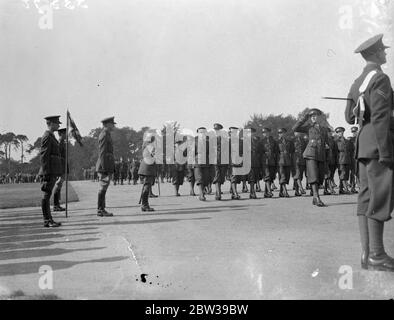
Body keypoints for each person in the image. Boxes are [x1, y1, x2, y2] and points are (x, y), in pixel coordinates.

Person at [345, 34, 394, 272]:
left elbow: (348, 116)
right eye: (382, 51)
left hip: (362, 144)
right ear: (375, 54)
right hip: (377, 144)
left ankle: (366, 255)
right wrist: (386, 152)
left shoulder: (357, 82)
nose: (385, 53)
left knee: (365, 197)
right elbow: (382, 117)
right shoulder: (381, 78)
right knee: (380, 196)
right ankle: (377, 254)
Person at [293, 108, 330, 207]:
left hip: (320, 154)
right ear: (310, 118)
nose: (314, 118)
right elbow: (295, 128)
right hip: (311, 153)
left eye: (315, 116)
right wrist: (304, 117)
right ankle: (317, 197)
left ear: (318, 117)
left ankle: (314, 198)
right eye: (312, 116)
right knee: (313, 175)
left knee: (320, 176)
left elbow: (326, 143)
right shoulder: (308, 127)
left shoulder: (323, 129)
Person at [38, 116, 63, 228]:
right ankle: (47, 220)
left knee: (47, 195)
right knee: (46, 195)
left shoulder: (50, 136)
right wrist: (46, 172)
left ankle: (48, 219)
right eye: (57, 123)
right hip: (49, 171)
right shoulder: (47, 136)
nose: (58, 125)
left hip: (52, 170)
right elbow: (44, 156)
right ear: (51, 123)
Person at [96, 116, 116, 217]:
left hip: (106, 164)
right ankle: (100, 209)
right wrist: (104, 168)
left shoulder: (107, 134)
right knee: (103, 187)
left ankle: (101, 208)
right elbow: (102, 153)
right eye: (112, 124)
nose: (113, 126)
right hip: (104, 165)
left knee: (104, 187)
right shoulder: (104, 135)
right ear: (107, 124)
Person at [138, 132, 157, 211]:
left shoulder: (145, 146)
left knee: (147, 186)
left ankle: (144, 204)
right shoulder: (150, 147)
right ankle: (145, 205)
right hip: (148, 168)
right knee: (147, 186)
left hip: (145, 167)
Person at [52, 128, 68, 211]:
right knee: (58, 184)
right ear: (61, 134)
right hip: (60, 165)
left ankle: (57, 204)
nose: (67, 135)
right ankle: (55, 205)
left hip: (63, 164)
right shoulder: (59, 143)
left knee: (60, 185)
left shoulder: (63, 143)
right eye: (65, 133)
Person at [261, 127, 278, 198]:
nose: (265, 134)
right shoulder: (261, 142)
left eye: (266, 132)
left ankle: (266, 193)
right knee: (267, 176)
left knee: (271, 176)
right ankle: (269, 192)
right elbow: (260, 151)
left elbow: (276, 150)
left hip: (272, 160)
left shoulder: (273, 141)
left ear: (269, 133)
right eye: (264, 133)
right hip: (265, 160)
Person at [277, 128, 294, 198]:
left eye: (282, 133)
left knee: (287, 176)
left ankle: (281, 192)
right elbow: (275, 152)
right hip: (280, 161)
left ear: (285, 133)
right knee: (282, 176)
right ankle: (285, 191)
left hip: (287, 160)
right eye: (280, 133)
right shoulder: (277, 142)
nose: (281, 134)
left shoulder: (289, 142)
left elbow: (292, 150)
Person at [212, 123, 228, 201]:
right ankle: (218, 193)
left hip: (224, 160)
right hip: (215, 160)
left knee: (221, 177)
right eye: (215, 130)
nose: (216, 131)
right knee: (217, 176)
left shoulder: (225, 139)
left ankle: (218, 191)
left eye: (218, 130)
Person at [335, 127, 352, 194]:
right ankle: (346, 189)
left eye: (341, 132)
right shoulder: (336, 141)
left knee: (346, 174)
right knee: (343, 174)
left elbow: (350, 150)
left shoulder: (347, 141)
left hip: (347, 159)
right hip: (340, 160)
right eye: (338, 132)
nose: (340, 133)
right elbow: (335, 152)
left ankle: (341, 189)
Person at [292, 131, 307, 196]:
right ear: (294, 133)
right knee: (297, 174)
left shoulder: (303, 140)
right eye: (296, 132)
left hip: (302, 159)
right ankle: (301, 188)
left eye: (298, 132)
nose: (297, 133)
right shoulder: (292, 141)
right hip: (295, 159)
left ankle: (296, 191)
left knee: (300, 175)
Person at [348, 126, 359, 193]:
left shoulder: (360, 138)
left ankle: (360, 186)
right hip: (352, 158)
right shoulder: (350, 140)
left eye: (355, 132)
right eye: (353, 132)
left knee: (359, 173)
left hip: (359, 158)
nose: (354, 133)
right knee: (352, 173)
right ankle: (352, 187)